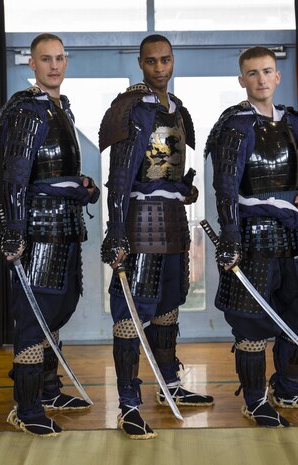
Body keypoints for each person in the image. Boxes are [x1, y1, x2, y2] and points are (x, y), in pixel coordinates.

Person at [204, 46, 298, 428]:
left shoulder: (294, 124)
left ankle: (289, 387)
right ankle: (256, 400)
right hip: (253, 238)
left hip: (292, 237)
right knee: (251, 323)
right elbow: (224, 187)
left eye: (267, 71)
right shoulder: (236, 125)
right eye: (253, 73)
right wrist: (230, 238)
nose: (261, 79)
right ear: (242, 80)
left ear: (277, 77)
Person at [99, 34, 213, 440]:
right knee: (130, 317)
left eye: (166, 60)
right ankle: (128, 404)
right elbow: (120, 178)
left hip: (173, 222)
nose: (160, 68)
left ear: (173, 60)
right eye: (152, 62)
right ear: (141, 63)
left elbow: (164, 170)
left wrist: (185, 188)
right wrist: (116, 232)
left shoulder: (177, 110)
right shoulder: (131, 108)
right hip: (140, 223)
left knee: (168, 308)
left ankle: (169, 385)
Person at [0, 33, 99, 437]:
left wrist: (80, 185)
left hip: (64, 227)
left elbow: (51, 171)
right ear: (31, 65)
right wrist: (15, 232)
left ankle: (49, 391)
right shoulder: (28, 111)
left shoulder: (60, 109)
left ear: (65, 62)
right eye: (45, 59)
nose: (54, 66)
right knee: (32, 323)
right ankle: (27, 407)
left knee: (52, 315)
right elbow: (15, 180)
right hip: (37, 232)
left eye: (59, 59)